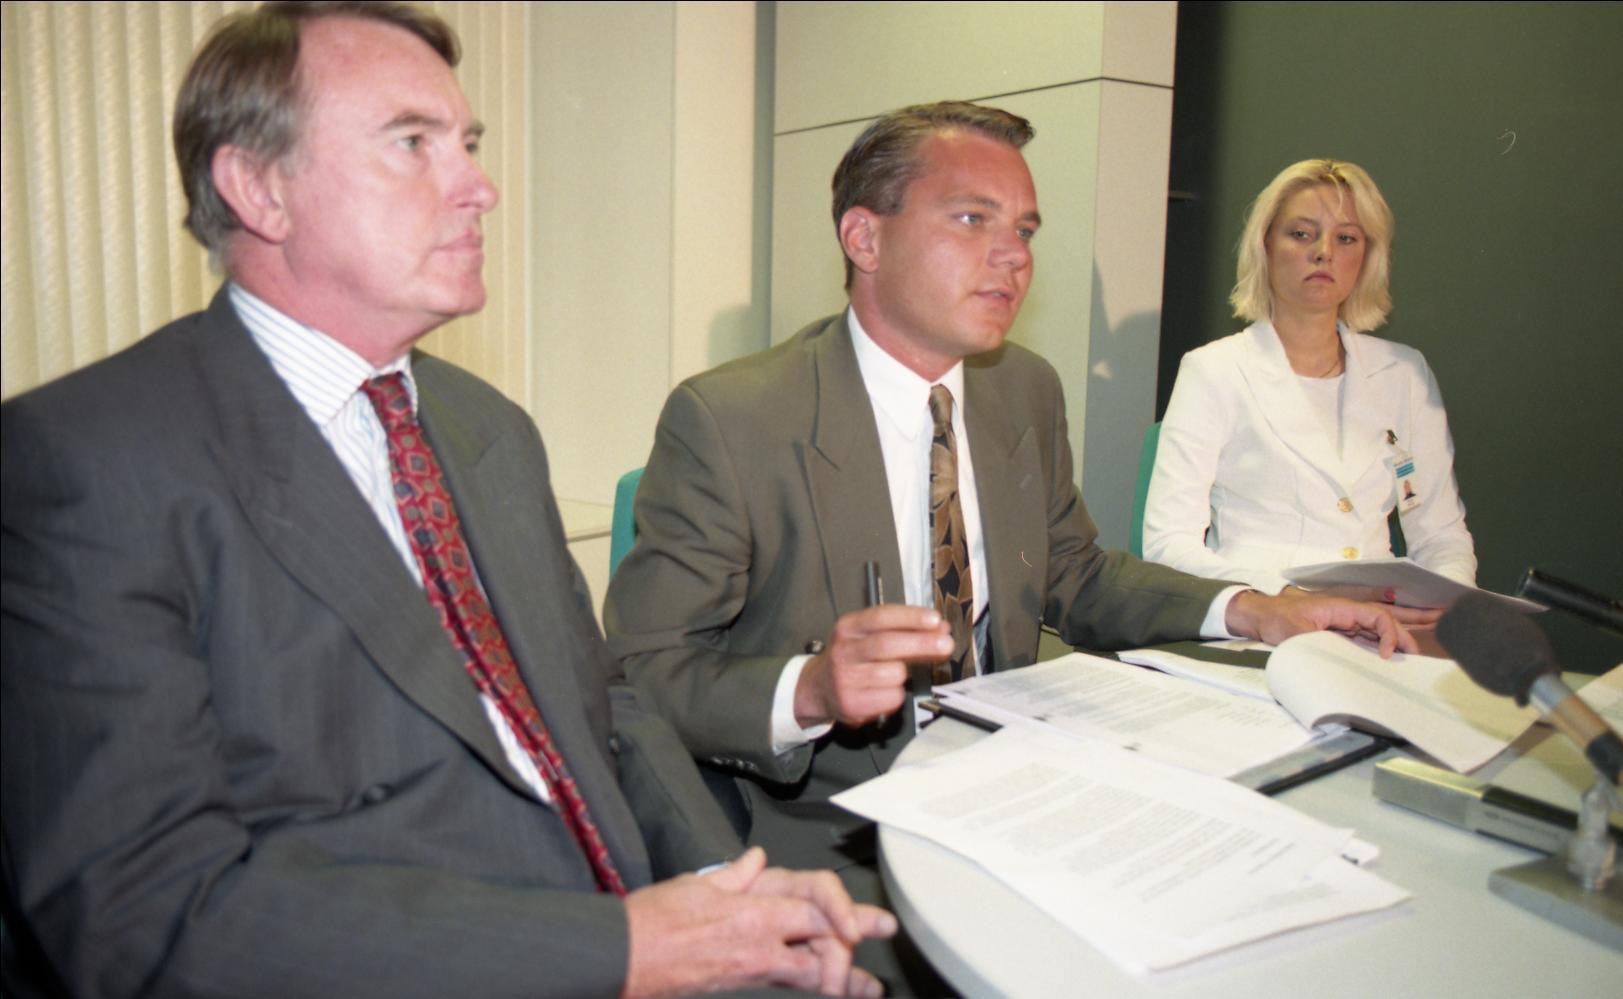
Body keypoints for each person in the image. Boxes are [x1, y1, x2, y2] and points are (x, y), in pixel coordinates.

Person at [0, 4, 894, 997]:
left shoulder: (486, 427)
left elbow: (605, 705)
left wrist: (726, 895)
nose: (480, 186)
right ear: (258, 188)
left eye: (466, 143)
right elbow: (143, 914)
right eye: (411, 142)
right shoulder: (87, 459)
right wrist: (629, 951)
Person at [603, 105, 1416, 884]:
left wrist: (1252, 609)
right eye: (971, 220)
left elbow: (1074, 573)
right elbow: (641, 672)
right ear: (864, 237)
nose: (1013, 256)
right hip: (831, 828)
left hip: (1014, 788)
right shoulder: (733, 419)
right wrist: (809, 688)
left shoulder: (1021, 388)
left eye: (1023, 230)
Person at [1143, 159, 1477, 595]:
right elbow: (1167, 544)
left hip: (1379, 621)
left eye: (1346, 238)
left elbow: (1442, 538)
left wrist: (1444, 604)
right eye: (1301, 234)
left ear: (1367, 256)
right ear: (1265, 245)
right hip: (1264, 616)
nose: (1323, 252)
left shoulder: (1404, 374)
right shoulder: (1214, 371)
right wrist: (1284, 603)